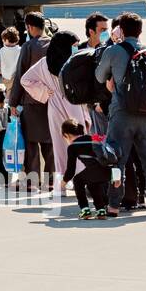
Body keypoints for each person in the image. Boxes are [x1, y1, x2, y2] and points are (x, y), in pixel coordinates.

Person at [95, 12, 146, 217]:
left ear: (121, 30)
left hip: (121, 112)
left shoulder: (115, 51)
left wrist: (111, 85)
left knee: (117, 158)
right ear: (141, 31)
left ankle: (114, 204)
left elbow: (100, 76)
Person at [20, 30, 87, 198]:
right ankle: (83, 181)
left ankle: (61, 186)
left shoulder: (45, 63)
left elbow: (25, 80)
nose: (76, 48)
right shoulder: (75, 61)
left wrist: (44, 92)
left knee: (59, 147)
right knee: (81, 143)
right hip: (74, 104)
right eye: (74, 45)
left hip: (55, 106)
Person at [9, 12, 52, 190]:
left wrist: (13, 102)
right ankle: (51, 181)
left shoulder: (28, 46)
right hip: (51, 100)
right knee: (49, 142)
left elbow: (21, 75)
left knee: (31, 142)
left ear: (29, 27)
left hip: (31, 100)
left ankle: (32, 181)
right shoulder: (54, 44)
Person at [61, 119, 112, 219]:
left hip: (96, 170)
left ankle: (85, 209)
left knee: (78, 180)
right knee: (92, 182)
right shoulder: (91, 138)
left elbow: (71, 170)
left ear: (67, 135)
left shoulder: (72, 147)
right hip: (108, 171)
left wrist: (64, 181)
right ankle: (100, 210)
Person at [0, 26, 21, 91]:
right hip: (16, 76)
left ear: (5, 40)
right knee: (13, 90)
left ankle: (7, 98)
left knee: (9, 89)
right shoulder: (20, 50)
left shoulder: (2, 50)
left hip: (6, 76)